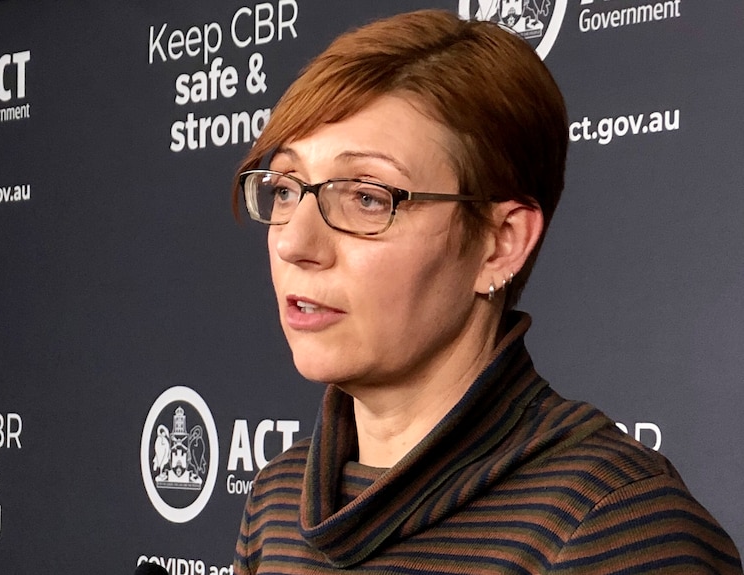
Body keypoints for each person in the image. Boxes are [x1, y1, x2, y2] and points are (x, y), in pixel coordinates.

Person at [232, 9, 742, 574]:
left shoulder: (616, 525)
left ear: (500, 244)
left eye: (367, 197)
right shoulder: (275, 502)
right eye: (284, 189)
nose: (295, 243)